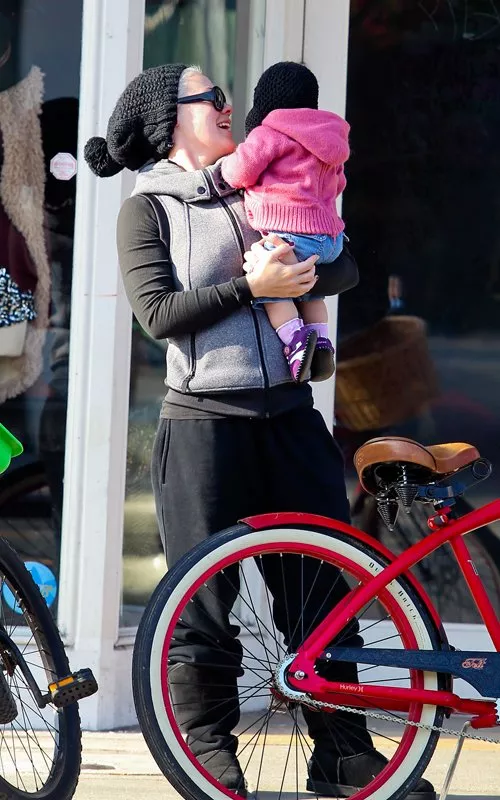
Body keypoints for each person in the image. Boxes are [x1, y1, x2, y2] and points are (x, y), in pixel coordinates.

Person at [84, 64, 435, 800]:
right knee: (202, 606)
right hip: (204, 428)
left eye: (225, 97)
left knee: (320, 596)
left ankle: (344, 756)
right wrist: (254, 286)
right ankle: (208, 753)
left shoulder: (264, 180)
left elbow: (344, 266)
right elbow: (157, 314)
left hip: (292, 419)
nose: (228, 106)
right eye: (210, 97)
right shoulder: (146, 209)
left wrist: (300, 267)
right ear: (169, 120)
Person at [221, 62, 349, 384]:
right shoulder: (330, 136)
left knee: (270, 281)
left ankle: (296, 341)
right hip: (330, 240)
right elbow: (339, 185)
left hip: (292, 236)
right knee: (312, 294)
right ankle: (321, 342)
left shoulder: (271, 132)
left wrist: (224, 167)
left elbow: (239, 172)